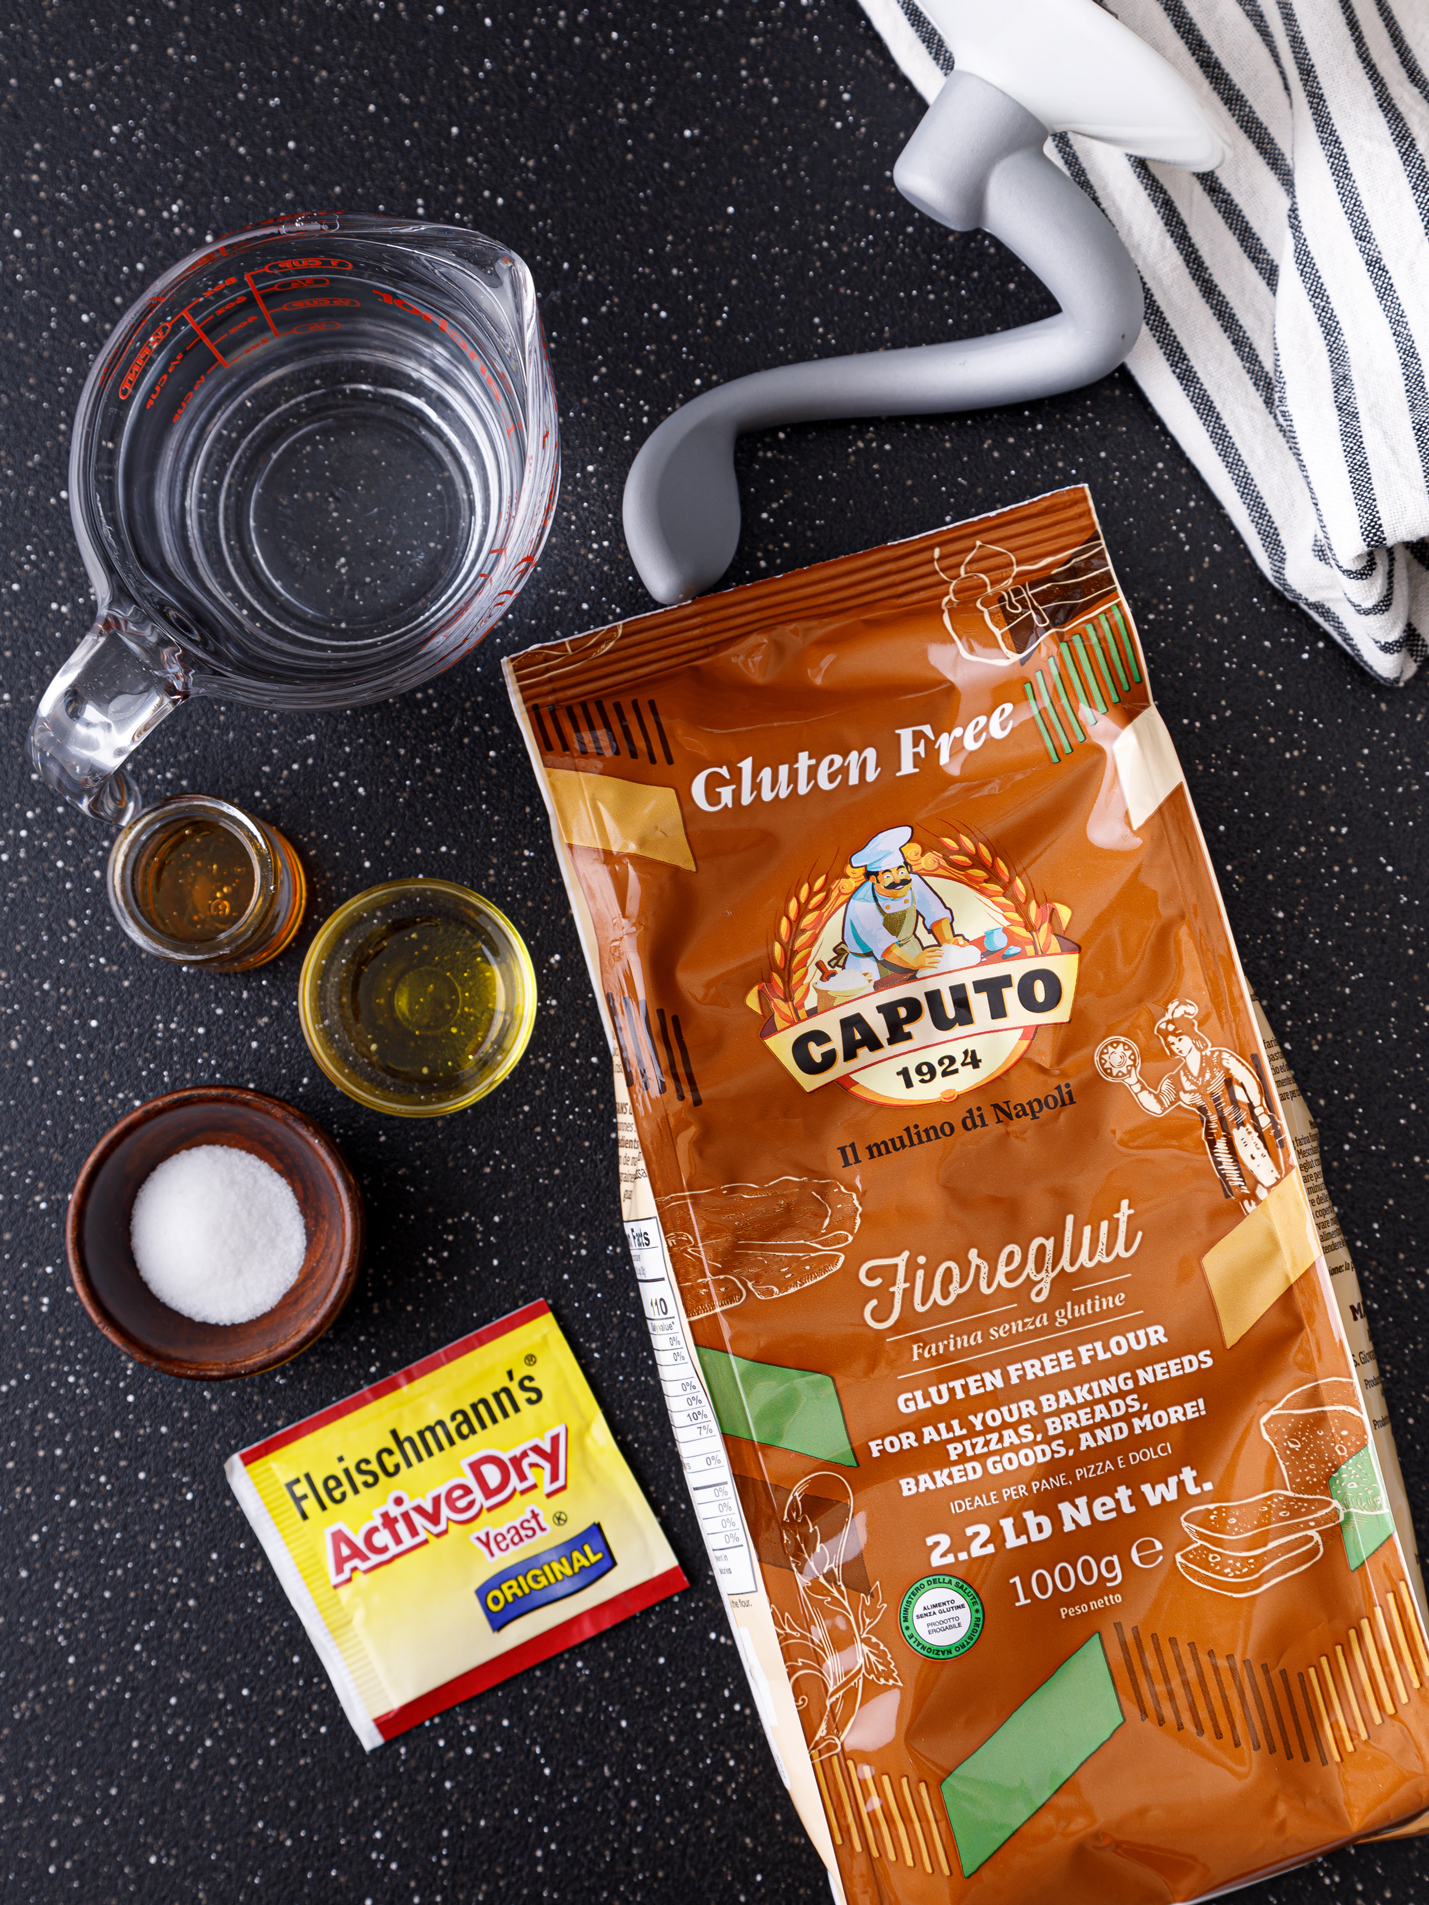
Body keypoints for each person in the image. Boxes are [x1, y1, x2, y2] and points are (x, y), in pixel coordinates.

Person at [1118, 1000, 1283, 1213]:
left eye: (1179, 1037)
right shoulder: (1177, 1078)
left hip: (1242, 1123)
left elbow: (1248, 1078)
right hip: (1216, 1135)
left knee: (1265, 1171)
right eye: (1171, 1042)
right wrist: (1133, 1080)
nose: (1176, 1044)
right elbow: (1158, 1105)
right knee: (1236, 1187)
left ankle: (1276, 1201)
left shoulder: (1218, 1057)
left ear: (1191, 1033)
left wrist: (1260, 1109)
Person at [838, 825, 965, 979]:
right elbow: (882, 944)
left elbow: (936, 914)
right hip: (869, 964)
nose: (898, 880)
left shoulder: (914, 882)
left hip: (909, 949)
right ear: (873, 879)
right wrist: (913, 963)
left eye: (901, 871)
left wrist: (949, 943)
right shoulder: (862, 904)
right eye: (888, 876)